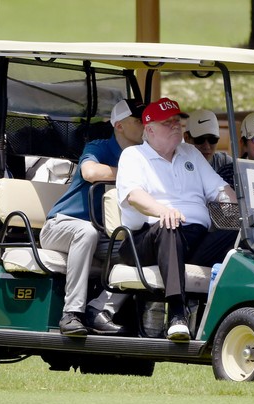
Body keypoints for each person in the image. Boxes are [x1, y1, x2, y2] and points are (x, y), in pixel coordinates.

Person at [116, 97, 238, 341]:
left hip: (193, 240)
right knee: (168, 227)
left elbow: (219, 189)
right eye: (167, 123)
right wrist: (162, 210)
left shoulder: (190, 153)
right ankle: (177, 314)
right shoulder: (134, 155)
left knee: (239, 233)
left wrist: (235, 209)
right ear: (149, 130)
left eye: (177, 121)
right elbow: (135, 196)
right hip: (144, 239)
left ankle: (233, 318)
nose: (175, 126)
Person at [40, 98, 146, 336]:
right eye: (138, 120)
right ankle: (71, 314)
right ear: (119, 125)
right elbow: (89, 172)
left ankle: (99, 310)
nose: (145, 124)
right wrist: (129, 175)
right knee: (85, 231)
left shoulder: (142, 155)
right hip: (60, 225)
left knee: (143, 249)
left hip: (101, 234)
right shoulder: (100, 147)